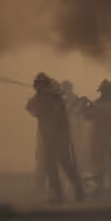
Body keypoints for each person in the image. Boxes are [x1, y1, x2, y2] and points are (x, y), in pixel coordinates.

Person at [27, 73, 85, 203]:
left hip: (59, 137)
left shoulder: (54, 99)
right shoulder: (45, 98)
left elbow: (56, 117)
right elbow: (30, 108)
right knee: (51, 167)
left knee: (65, 165)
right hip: (48, 138)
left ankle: (77, 191)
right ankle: (60, 194)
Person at [82, 79, 111, 193]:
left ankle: (106, 187)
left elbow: (87, 116)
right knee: (107, 163)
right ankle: (109, 187)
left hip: (104, 138)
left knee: (105, 163)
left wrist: (85, 105)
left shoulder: (99, 105)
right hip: (108, 138)